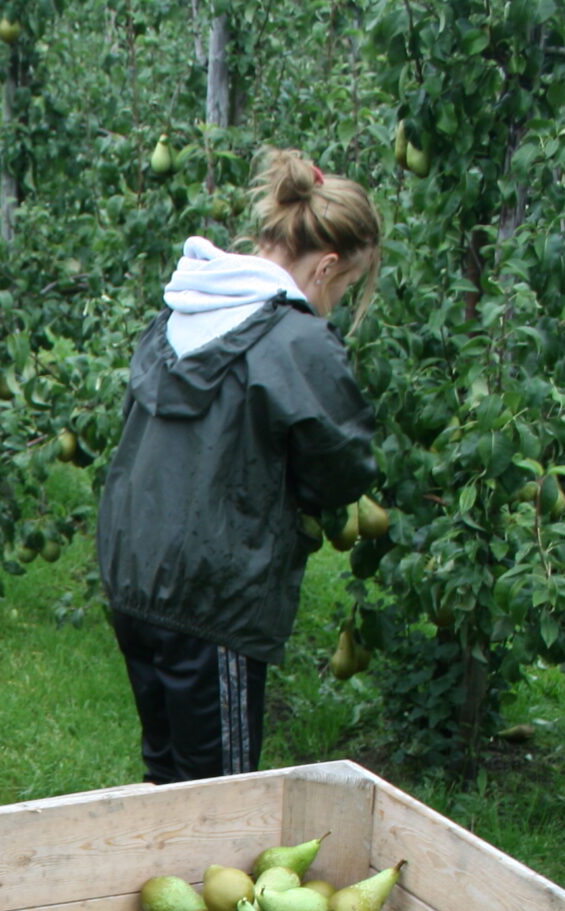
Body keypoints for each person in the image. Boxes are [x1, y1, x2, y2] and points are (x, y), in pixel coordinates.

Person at [96, 148, 382, 783]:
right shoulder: (293, 338)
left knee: (168, 772)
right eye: (344, 286)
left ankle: (146, 874)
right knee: (219, 794)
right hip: (209, 590)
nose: (336, 299)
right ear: (328, 263)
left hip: (135, 571)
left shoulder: (186, 305)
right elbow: (344, 465)